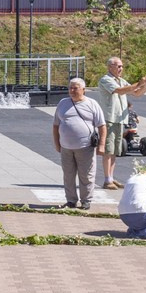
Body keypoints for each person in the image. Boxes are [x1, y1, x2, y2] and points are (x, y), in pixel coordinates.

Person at [94, 55, 146, 190]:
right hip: (109, 118)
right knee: (108, 150)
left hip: (120, 119)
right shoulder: (106, 80)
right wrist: (139, 82)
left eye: (122, 66)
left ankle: (111, 178)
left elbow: (136, 93)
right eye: (118, 66)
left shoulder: (121, 80)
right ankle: (107, 179)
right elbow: (119, 91)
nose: (121, 68)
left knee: (115, 151)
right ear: (110, 67)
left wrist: (145, 85)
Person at [53, 76, 106, 210]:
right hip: (66, 147)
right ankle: (71, 200)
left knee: (86, 175)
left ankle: (86, 200)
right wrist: (57, 143)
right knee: (68, 175)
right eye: (70, 88)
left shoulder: (92, 104)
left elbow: (102, 126)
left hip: (85, 147)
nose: (72, 90)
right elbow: (55, 125)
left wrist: (102, 145)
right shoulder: (63, 103)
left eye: (75, 88)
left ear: (83, 90)